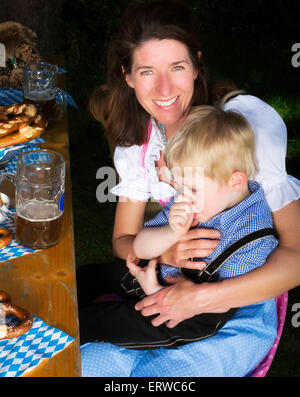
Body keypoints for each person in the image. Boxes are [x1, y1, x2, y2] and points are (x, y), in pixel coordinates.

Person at [79, 0, 300, 376]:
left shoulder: (243, 127)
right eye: (147, 71)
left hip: (238, 302)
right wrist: (164, 251)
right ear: (128, 76)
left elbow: (297, 254)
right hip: (162, 287)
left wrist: (199, 297)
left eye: (177, 67)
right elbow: (123, 241)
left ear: (197, 64)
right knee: (87, 366)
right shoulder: (139, 145)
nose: (164, 88)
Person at [79, 105, 278, 350]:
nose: (184, 196)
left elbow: (223, 302)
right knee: (89, 277)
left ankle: (44, 339)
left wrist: (156, 291)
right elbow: (140, 246)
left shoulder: (253, 238)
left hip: (188, 315)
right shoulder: (195, 198)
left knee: (97, 322)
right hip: (155, 275)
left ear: (235, 181)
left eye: (192, 189)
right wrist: (172, 232)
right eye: (181, 187)